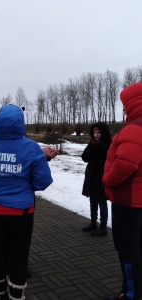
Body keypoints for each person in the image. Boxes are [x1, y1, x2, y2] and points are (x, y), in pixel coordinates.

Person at [0, 104, 53, 300]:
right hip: (21, 213)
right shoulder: (31, 147)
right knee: (19, 255)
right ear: (21, 123)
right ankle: (16, 296)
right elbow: (43, 181)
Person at [101, 83, 142, 300]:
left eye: (125, 104)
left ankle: (131, 294)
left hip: (129, 202)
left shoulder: (135, 128)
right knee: (137, 249)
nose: (124, 109)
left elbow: (126, 164)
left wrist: (107, 179)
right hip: (138, 202)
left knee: (128, 250)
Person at [81, 122, 111, 237]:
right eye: (95, 132)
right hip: (92, 175)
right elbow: (85, 158)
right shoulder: (92, 143)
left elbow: (104, 158)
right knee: (92, 200)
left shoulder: (108, 144)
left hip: (102, 175)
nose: (96, 135)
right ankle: (93, 222)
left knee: (101, 201)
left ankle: (103, 227)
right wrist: (91, 146)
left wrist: (97, 147)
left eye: (99, 132)